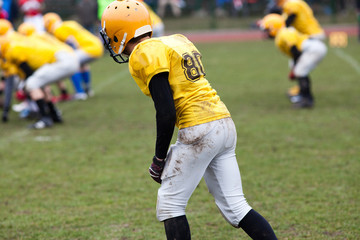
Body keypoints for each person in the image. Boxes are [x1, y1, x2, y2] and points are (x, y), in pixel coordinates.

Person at [100, 1, 278, 239]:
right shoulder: (176, 39)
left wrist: (159, 158)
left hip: (199, 128)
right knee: (236, 207)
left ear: (117, 32)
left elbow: (166, 111)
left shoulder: (144, 52)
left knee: (170, 204)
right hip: (223, 122)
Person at [0, 19, 80, 128]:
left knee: (31, 84)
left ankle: (45, 119)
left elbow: (27, 71)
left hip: (61, 60)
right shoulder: (18, 45)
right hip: (65, 57)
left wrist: (23, 87)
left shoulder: (12, 50)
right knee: (38, 84)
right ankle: (54, 115)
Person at [261, 13, 327, 108]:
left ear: (274, 27)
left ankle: (307, 100)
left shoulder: (284, 33)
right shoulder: (284, 32)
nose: (266, 32)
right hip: (312, 49)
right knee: (296, 68)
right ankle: (302, 95)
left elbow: (295, 50)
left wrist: (295, 70)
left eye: (267, 29)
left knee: (300, 71)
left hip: (313, 49)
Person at [43, 12, 104, 100]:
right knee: (82, 65)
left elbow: (71, 42)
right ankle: (88, 90)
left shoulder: (58, 29)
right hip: (96, 45)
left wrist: (72, 55)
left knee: (71, 63)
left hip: (88, 48)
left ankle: (80, 92)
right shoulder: (68, 23)